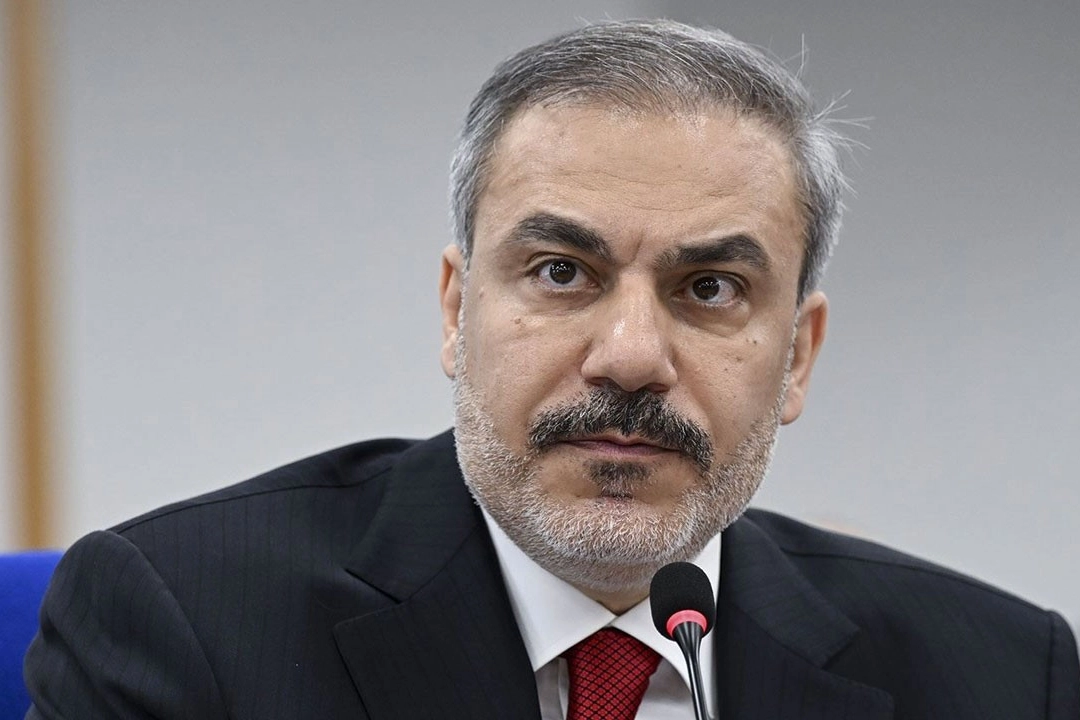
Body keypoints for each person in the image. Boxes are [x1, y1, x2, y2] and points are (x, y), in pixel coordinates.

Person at [24, 19, 1079, 720]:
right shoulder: (187, 622)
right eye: (563, 271)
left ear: (797, 356)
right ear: (457, 311)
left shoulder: (998, 677)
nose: (631, 357)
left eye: (710, 287)